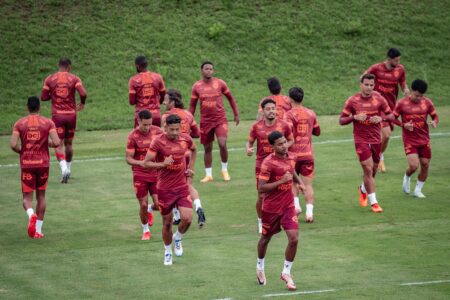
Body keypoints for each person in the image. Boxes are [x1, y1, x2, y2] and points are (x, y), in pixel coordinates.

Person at [143, 114, 197, 266]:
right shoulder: (158, 141)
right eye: (171, 129)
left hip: (181, 187)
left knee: (187, 218)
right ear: (165, 127)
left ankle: (178, 237)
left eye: (177, 129)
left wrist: (190, 168)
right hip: (165, 189)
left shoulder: (185, 139)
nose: (174, 133)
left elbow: (194, 150)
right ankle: (167, 251)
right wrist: (162, 164)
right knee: (167, 223)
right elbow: (146, 163)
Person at [256, 131, 304, 291]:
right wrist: (281, 181)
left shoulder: (291, 157)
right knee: (265, 239)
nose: (284, 146)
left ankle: (286, 272)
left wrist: (299, 182)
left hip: (288, 206)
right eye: (280, 144)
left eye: (285, 142)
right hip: (271, 208)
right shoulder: (268, 163)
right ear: (272, 147)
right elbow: (261, 188)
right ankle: (260, 266)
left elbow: (291, 170)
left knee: (294, 239)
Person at [339, 73, 394, 213]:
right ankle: (374, 203)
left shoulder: (379, 99)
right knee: (368, 169)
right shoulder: (353, 101)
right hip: (360, 139)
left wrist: (381, 118)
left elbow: (391, 115)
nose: (369, 88)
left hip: (376, 139)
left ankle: (362, 189)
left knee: (373, 170)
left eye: (371, 85)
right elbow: (341, 120)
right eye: (366, 85)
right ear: (361, 85)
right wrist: (354, 117)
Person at [10, 96, 60, 239]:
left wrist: (23, 150)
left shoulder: (19, 124)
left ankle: (31, 214)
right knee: (41, 196)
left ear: (27, 107)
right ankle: (38, 230)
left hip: (27, 164)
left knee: (27, 198)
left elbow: (13, 145)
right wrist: (46, 144)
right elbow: (56, 142)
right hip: (43, 163)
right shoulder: (48, 123)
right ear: (39, 107)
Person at [247, 98, 294, 233]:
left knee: (280, 191)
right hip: (261, 165)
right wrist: (248, 149)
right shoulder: (256, 127)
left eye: (273, 108)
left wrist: (284, 147)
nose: (272, 111)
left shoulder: (284, 125)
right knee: (262, 194)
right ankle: (261, 221)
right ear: (263, 111)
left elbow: (291, 140)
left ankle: (281, 217)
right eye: (268, 109)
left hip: (280, 163)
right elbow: (249, 142)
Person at [162, 89, 206, 227]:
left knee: (172, 185)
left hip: (173, 154)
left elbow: (163, 136)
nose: (163, 103)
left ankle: (175, 215)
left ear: (172, 102)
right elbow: (198, 133)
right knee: (187, 185)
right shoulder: (188, 114)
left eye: (166, 100)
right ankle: (198, 206)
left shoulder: (167, 117)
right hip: (187, 154)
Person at [190, 61, 239, 182]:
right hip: (205, 121)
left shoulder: (220, 83)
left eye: (211, 69)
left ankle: (224, 170)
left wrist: (236, 113)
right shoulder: (197, 86)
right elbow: (192, 106)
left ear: (213, 71)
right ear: (202, 70)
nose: (209, 71)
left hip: (220, 119)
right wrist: (188, 120)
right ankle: (208, 175)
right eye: (206, 69)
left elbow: (231, 98)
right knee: (207, 148)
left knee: (222, 143)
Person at [41, 57, 87, 183]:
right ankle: (69, 168)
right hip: (71, 115)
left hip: (58, 115)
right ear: (69, 67)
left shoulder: (50, 79)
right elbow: (83, 93)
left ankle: (64, 169)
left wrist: (54, 95)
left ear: (58, 65)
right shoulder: (74, 78)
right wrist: (82, 103)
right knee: (69, 143)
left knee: (58, 143)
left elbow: (43, 97)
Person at [365, 48, 409, 172]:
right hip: (378, 106)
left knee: (385, 136)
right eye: (396, 60)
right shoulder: (376, 68)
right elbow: (364, 78)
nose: (398, 62)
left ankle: (378, 154)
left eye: (399, 59)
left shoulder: (400, 69)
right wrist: (369, 91)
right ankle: (378, 157)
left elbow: (403, 82)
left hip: (391, 107)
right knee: (386, 134)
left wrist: (405, 89)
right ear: (389, 59)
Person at [393, 79, 439, 198]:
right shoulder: (402, 103)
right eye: (417, 95)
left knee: (425, 164)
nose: (419, 98)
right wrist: (403, 125)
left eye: (421, 96)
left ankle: (418, 190)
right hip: (410, 140)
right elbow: (392, 118)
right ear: (412, 91)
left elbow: (435, 116)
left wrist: (434, 122)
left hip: (424, 139)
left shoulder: (427, 103)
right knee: (413, 166)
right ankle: (407, 176)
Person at [285, 87, 321, 223]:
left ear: (290, 99)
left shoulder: (288, 115)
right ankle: (310, 213)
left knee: (293, 182)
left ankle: (297, 206)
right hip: (308, 155)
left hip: (293, 155)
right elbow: (317, 132)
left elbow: (287, 132)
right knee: (308, 185)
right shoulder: (311, 113)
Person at [126, 110, 163, 240]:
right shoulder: (133, 136)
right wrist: (140, 163)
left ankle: (149, 209)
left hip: (155, 173)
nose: (147, 128)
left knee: (160, 205)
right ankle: (146, 230)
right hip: (140, 173)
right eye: (144, 125)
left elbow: (165, 145)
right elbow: (128, 159)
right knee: (142, 203)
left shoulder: (158, 131)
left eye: (149, 124)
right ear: (139, 121)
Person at [129, 55, 166, 127]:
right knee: (156, 137)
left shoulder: (133, 80)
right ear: (147, 64)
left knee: (140, 138)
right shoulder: (158, 77)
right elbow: (163, 95)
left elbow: (132, 101)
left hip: (141, 116)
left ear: (137, 66)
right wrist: (158, 101)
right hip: (155, 115)